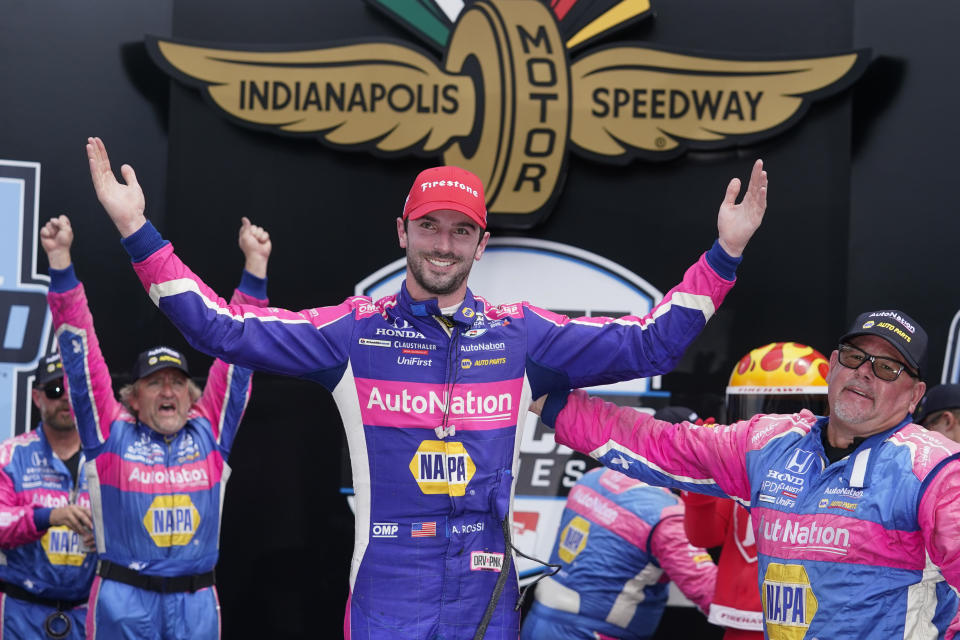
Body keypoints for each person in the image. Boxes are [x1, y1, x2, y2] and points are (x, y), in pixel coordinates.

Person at [84, 135, 767, 639]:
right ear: (403, 231)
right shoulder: (353, 334)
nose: (444, 244)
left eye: (461, 231)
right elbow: (220, 330)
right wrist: (134, 229)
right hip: (388, 588)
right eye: (430, 227)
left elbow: (652, 342)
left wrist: (724, 254)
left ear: (482, 243)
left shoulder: (520, 337)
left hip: (484, 593)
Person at [535, 310, 960, 639]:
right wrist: (546, 401)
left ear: (915, 395)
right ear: (833, 365)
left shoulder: (936, 471)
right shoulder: (769, 443)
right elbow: (659, 444)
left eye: (888, 368)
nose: (865, 371)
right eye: (855, 357)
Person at [42, 213, 271, 639]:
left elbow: (239, 357)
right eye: (154, 383)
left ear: (193, 396)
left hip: (195, 605)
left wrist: (255, 267)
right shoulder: (109, 433)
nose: (168, 390)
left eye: (177, 382)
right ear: (131, 396)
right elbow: (81, 359)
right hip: (123, 604)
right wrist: (60, 265)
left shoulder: (211, 431)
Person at [683, 342, 829, 639]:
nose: (776, 426)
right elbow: (704, 537)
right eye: (758, 410)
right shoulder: (740, 470)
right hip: (743, 619)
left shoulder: (835, 477)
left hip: (810, 619)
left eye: (793, 412)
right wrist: (699, 483)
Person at [520, 464, 717, 640]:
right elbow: (709, 593)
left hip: (538, 618)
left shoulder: (593, 476)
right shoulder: (666, 515)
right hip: (594, 632)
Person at [0, 352, 95, 639]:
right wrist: (49, 516)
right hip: (20, 613)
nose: (65, 398)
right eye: (55, 390)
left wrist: (107, 537)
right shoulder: (10, 455)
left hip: (87, 613)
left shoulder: (107, 459)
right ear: (37, 397)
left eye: (72, 388)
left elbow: (135, 525)